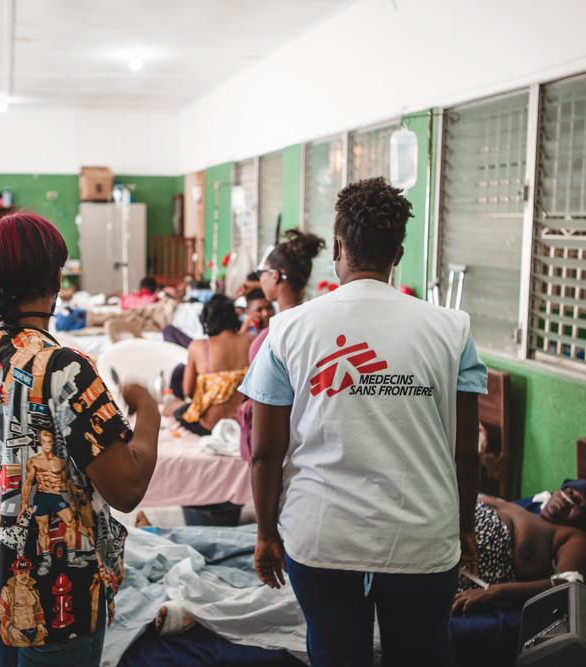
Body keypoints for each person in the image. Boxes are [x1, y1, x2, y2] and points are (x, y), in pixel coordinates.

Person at [240, 178, 487, 666]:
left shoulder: (288, 330)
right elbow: (464, 454)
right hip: (422, 535)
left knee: (335, 654)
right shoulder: (451, 330)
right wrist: (463, 529)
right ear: (398, 250)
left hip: (321, 537)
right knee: (422, 655)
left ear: (338, 246)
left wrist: (266, 533)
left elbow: (267, 453)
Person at [0, 211, 161, 667]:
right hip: (65, 597)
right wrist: (149, 410)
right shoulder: (66, 368)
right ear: (57, 279)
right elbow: (127, 488)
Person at [237, 230, 326, 462]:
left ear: (275, 276)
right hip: (318, 445)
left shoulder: (271, 339)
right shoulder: (320, 326)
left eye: (262, 273)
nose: (260, 279)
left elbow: (264, 436)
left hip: (285, 455)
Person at [452, 496, 586, 615]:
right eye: (568, 492)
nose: (566, 499)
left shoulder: (573, 537)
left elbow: (566, 585)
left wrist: (493, 591)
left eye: (578, 503)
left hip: (458, 566)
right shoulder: (514, 507)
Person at [177, 294, 251, 436]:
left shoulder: (198, 347)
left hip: (210, 425)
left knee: (179, 410)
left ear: (206, 320)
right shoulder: (251, 340)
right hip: (242, 422)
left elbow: (187, 391)